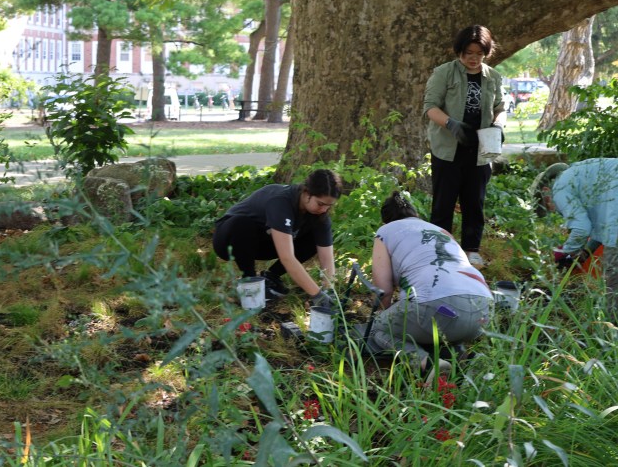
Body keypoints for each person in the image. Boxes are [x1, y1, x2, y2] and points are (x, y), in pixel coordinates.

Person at [530, 159, 618, 319]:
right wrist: (585, 252)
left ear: (546, 192)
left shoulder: (559, 188)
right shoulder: (578, 177)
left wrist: (564, 254)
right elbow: (602, 232)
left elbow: (581, 228)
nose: (554, 210)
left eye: (548, 207)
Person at [367, 191, 493, 365]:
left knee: (379, 329)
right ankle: (467, 360)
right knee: (445, 326)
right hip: (484, 310)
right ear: (415, 215)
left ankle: (428, 365)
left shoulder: (385, 232)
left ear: (386, 220)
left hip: (435, 306)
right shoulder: (441, 231)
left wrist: (384, 314)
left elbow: (384, 292)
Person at [423, 25, 507, 267]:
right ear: (459, 51)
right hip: (448, 148)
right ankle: (441, 250)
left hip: (480, 149)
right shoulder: (444, 73)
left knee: (474, 200)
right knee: (443, 202)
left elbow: (501, 108)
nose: (473, 58)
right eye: (468, 53)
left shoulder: (493, 77)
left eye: (479, 54)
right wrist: (451, 124)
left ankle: (472, 249)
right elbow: (430, 107)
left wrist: (499, 126)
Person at [213, 169, 343, 305]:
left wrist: (329, 292)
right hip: (229, 241)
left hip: (263, 242)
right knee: (243, 223)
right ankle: (249, 281)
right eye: (320, 204)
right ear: (307, 193)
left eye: (329, 206)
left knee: (313, 237)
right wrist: (317, 295)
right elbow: (287, 257)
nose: (323, 210)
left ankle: (271, 278)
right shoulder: (281, 202)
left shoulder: (320, 215)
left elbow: (327, 257)